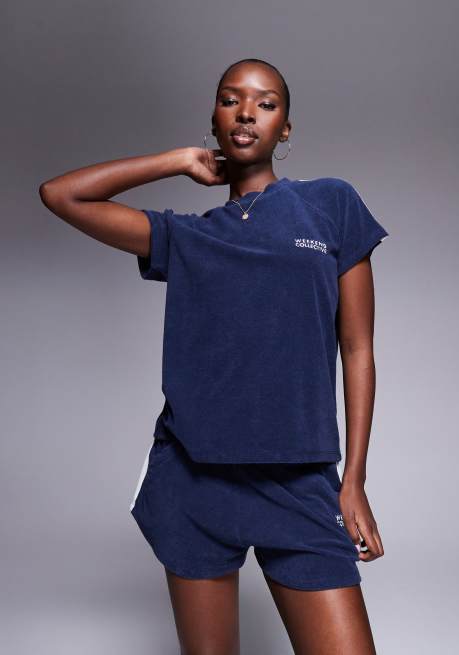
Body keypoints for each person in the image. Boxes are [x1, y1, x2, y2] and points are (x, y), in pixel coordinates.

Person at [39, 57, 388, 655]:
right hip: (196, 481)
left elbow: (358, 349)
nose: (247, 112)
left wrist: (353, 479)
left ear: (285, 128)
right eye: (231, 100)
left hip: (298, 480)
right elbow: (61, 194)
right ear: (215, 118)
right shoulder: (188, 236)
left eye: (266, 103)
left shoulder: (331, 205)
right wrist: (177, 161)